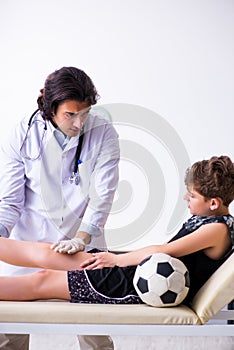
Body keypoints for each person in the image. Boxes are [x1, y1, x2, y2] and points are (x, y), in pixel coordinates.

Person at [0, 155, 233, 309]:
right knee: (50, 253)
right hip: (143, 270)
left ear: (213, 203)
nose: (186, 198)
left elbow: (164, 250)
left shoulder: (217, 229)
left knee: (44, 278)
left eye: (191, 196)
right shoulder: (207, 218)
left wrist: (116, 260)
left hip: (136, 285)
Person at [0, 67, 120, 350]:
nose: (79, 123)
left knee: (95, 338)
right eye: (70, 114)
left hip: (80, 246)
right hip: (28, 245)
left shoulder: (103, 132)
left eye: (85, 113)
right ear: (49, 108)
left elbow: (103, 195)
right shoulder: (22, 134)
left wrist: (83, 237)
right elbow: (10, 201)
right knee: (8, 338)